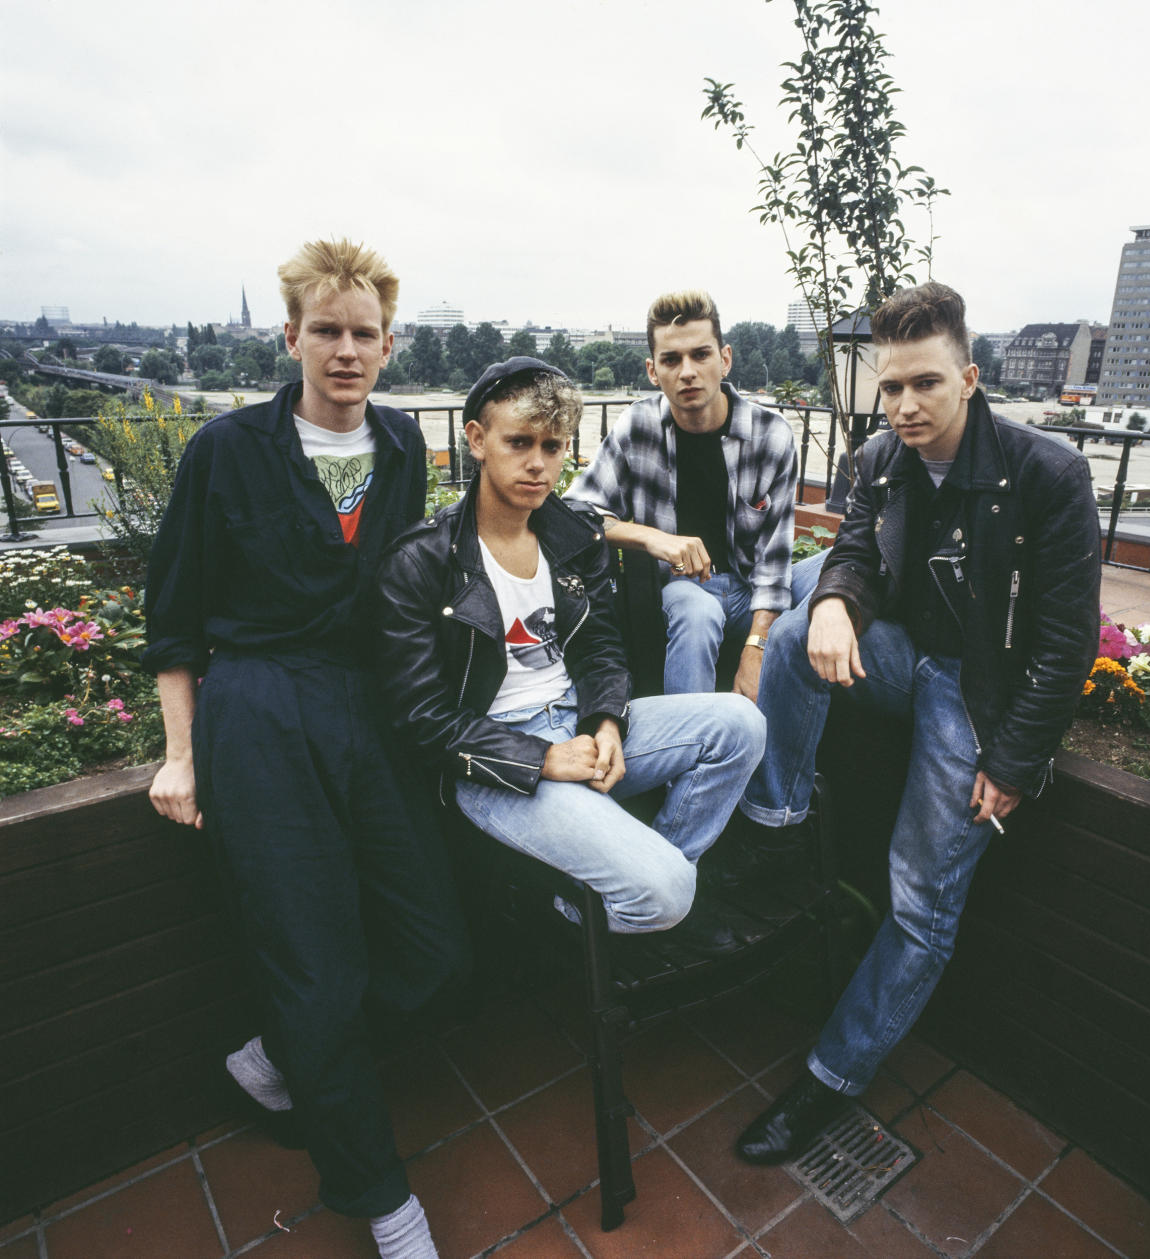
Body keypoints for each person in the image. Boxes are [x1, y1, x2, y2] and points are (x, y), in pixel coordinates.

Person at [145, 238, 466, 1259]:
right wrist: (180, 754)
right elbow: (172, 620)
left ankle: (288, 1047)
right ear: (290, 337)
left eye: (362, 333)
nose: (343, 348)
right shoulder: (227, 450)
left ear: (387, 346)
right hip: (260, 709)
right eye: (323, 329)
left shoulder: (406, 446)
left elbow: (411, 592)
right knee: (313, 961)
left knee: (435, 946)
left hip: (366, 711)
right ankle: (379, 1195)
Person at [734, 281, 1101, 1164]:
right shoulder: (878, 460)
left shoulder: (1047, 473)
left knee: (922, 898)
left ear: (969, 378)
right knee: (789, 635)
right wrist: (831, 602)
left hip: (980, 690)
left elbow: (1065, 639)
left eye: (925, 384)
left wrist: (1012, 759)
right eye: (890, 386)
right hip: (907, 655)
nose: (904, 405)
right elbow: (857, 549)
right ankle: (773, 832)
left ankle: (830, 1076)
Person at [372, 357, 767, 956]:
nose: (538, 464)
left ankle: (633, 891)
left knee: (742, 724)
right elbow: (421, 720)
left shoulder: (570, 537)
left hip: (579, 726)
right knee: (667, 892)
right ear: (476, 440)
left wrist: (605, 721)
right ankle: (603, 909)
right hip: (496, 760)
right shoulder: (422, 560)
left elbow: (601, 650)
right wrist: (540, 758)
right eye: (519, 442)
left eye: (553, 447)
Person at [565, 289, 825, 703]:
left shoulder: (770, 434)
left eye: (700, 355)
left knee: (834, 570)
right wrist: (652, 538)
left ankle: (781, 767)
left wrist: (756, 648)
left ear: (724, 360)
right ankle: (693, 747)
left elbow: (774, 564)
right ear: (653, 371)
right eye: (672, 360)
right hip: (680, 589)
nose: (687, 372)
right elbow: (575, 513)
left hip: (746, 588)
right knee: (697, 611)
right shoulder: (638, 426)